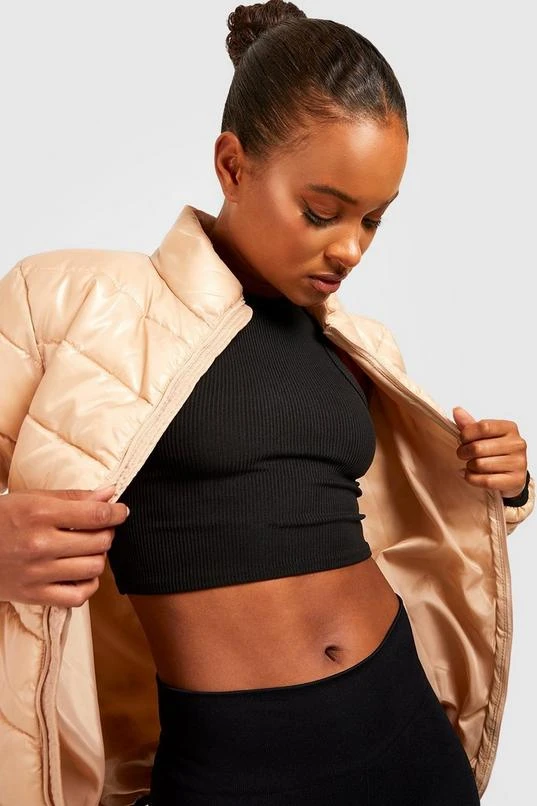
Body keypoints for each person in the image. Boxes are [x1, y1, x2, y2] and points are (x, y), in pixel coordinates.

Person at [0, 1, 533, 804]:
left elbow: (420, 522)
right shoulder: (73, 303)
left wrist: (505, 484)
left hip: (405, 731)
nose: (349, 247)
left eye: (372, 220)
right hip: (235, 766)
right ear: (232, 165)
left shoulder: (356, 346)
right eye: (321, 212)